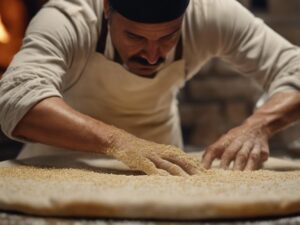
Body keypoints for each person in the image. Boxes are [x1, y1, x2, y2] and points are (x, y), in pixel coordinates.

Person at [0, 0, 299, 175]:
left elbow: (294, 67)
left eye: (168, 38)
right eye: (135, 37)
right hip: (59, 162)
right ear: (107, 9)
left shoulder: (212, 12)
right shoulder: (68, 16)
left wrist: (258, 126)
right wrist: (118, 141)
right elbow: (16, 98)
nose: (153, 54)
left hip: (163, 171)